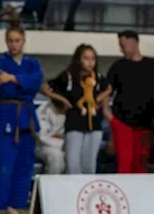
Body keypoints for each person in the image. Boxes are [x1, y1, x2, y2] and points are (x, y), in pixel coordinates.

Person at [0, 25, 43, 214]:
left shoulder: (33, 63)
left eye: (17, 40)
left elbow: (36, 83)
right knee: (5, 164)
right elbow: (3, 86)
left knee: (24, 164)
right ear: (6, 41)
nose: (14, 44)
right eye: (10, 40)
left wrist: (13, 78)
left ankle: (17, 206)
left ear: (23, 41)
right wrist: (23, 84)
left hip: (26, 116)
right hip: (8, 114)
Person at [42, 44, 111, 174]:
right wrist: (62, 100)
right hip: (74, 124)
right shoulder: (68, 76)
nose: (90, 62)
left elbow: (108, 89)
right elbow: (45, 87)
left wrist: (99, 99)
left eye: (93, 59)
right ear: (79, 60)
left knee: (89, 166)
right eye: (86, 58)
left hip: (94, 126)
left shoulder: (98, 77)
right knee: (73, 165)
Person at [105, 30, 154, 173]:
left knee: (141, 164)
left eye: (123, 45)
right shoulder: (117, 67)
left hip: (146, 122)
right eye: (120, 46)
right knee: (124, 164)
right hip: (122, 122)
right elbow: (107, 93)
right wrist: (108, 115)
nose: (121, 49)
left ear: (134, 42)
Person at [34, 98, 66, 174]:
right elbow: (42, 136)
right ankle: (53, 181)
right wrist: (61, 143)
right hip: (43, 147)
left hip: (67, 145)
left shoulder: (73, 108)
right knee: (56, 156)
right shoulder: (42, 110)